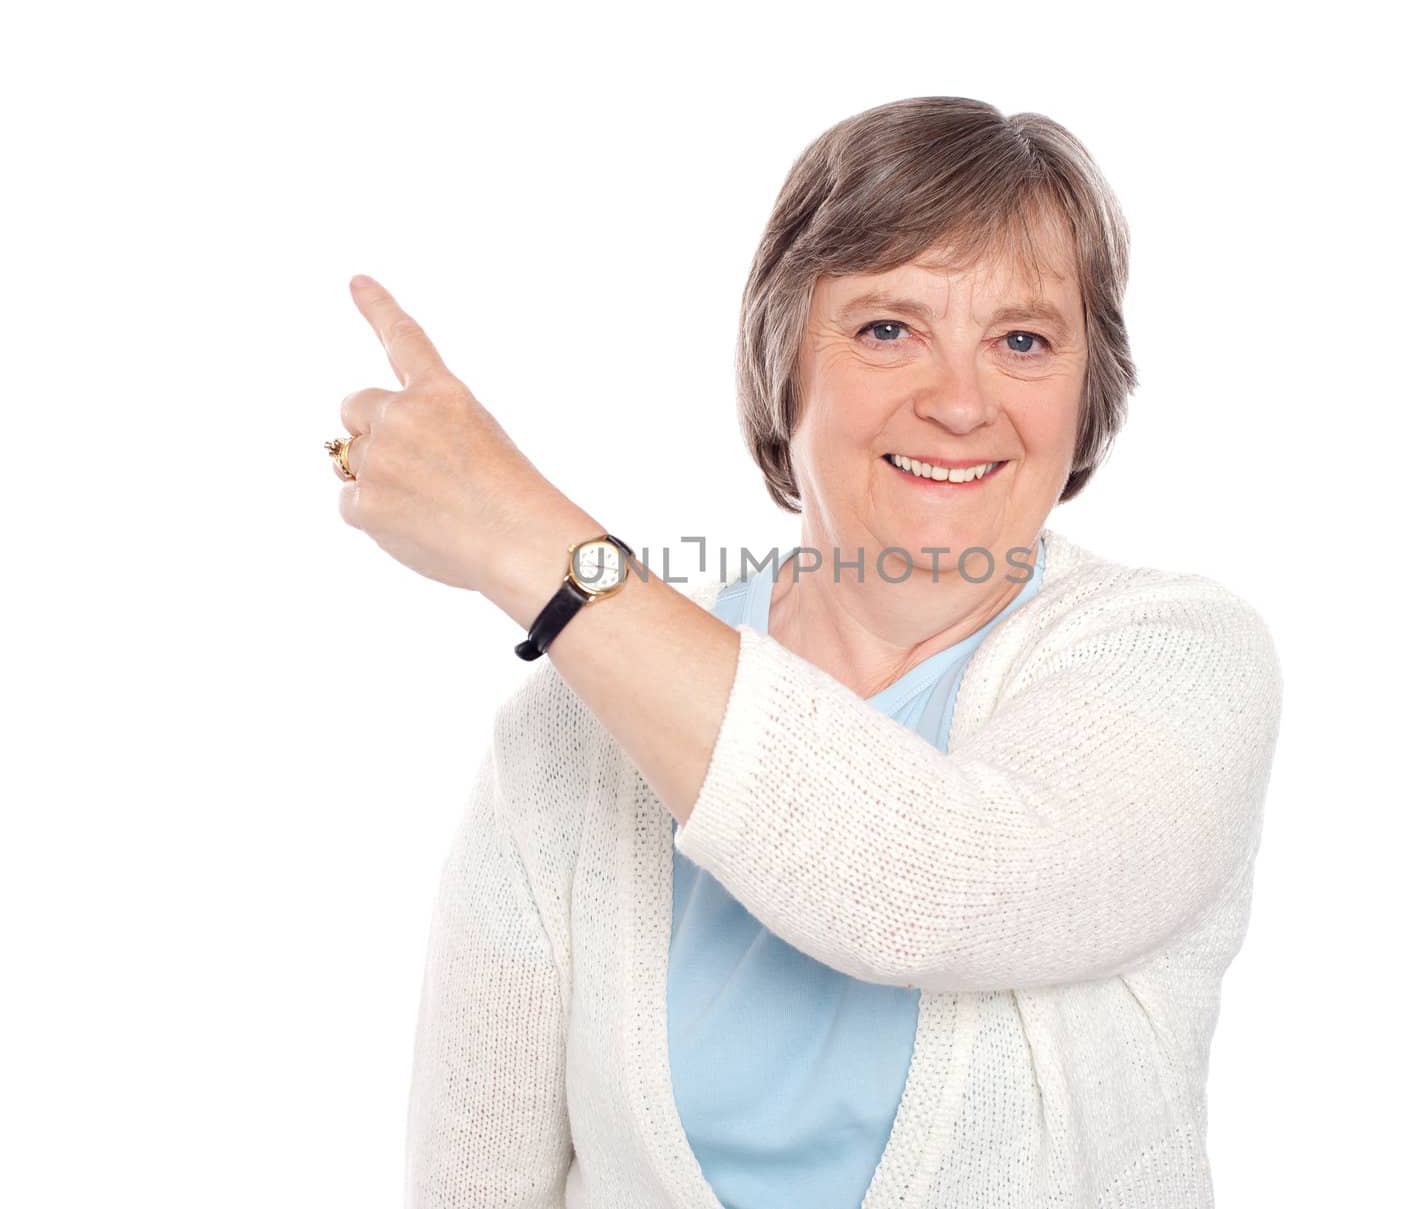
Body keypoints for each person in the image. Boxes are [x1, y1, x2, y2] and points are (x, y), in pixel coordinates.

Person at [329, 95, 1283, 1208]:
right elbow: (472, 1182)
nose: (960, 401)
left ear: (1088, 391)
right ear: (785, 364)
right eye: (888, 328)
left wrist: (527, 538)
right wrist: (545, 569)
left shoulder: (1180, 660)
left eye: (1021, 340)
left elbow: (930, 883)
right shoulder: (573, 723)